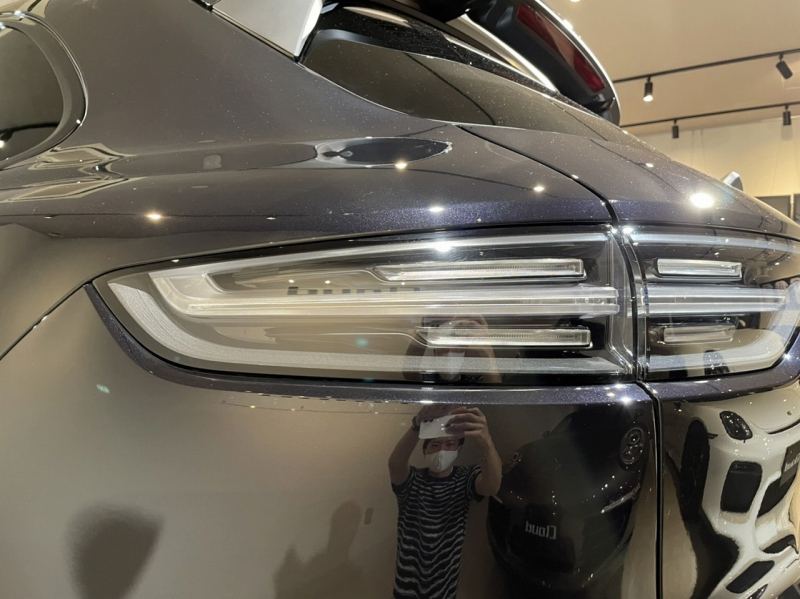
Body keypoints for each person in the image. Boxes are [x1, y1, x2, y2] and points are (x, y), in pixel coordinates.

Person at [388, 404, 502, 599]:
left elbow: (492, 486)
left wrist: (486, 441)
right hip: (407, 587)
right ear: (424, 450)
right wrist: (416, 426)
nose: (442, 450)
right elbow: (395, 464)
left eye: (449, 444)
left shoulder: (465, 478)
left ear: (458, 448)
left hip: (445, 588)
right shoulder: (412, 480)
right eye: (435, 445)